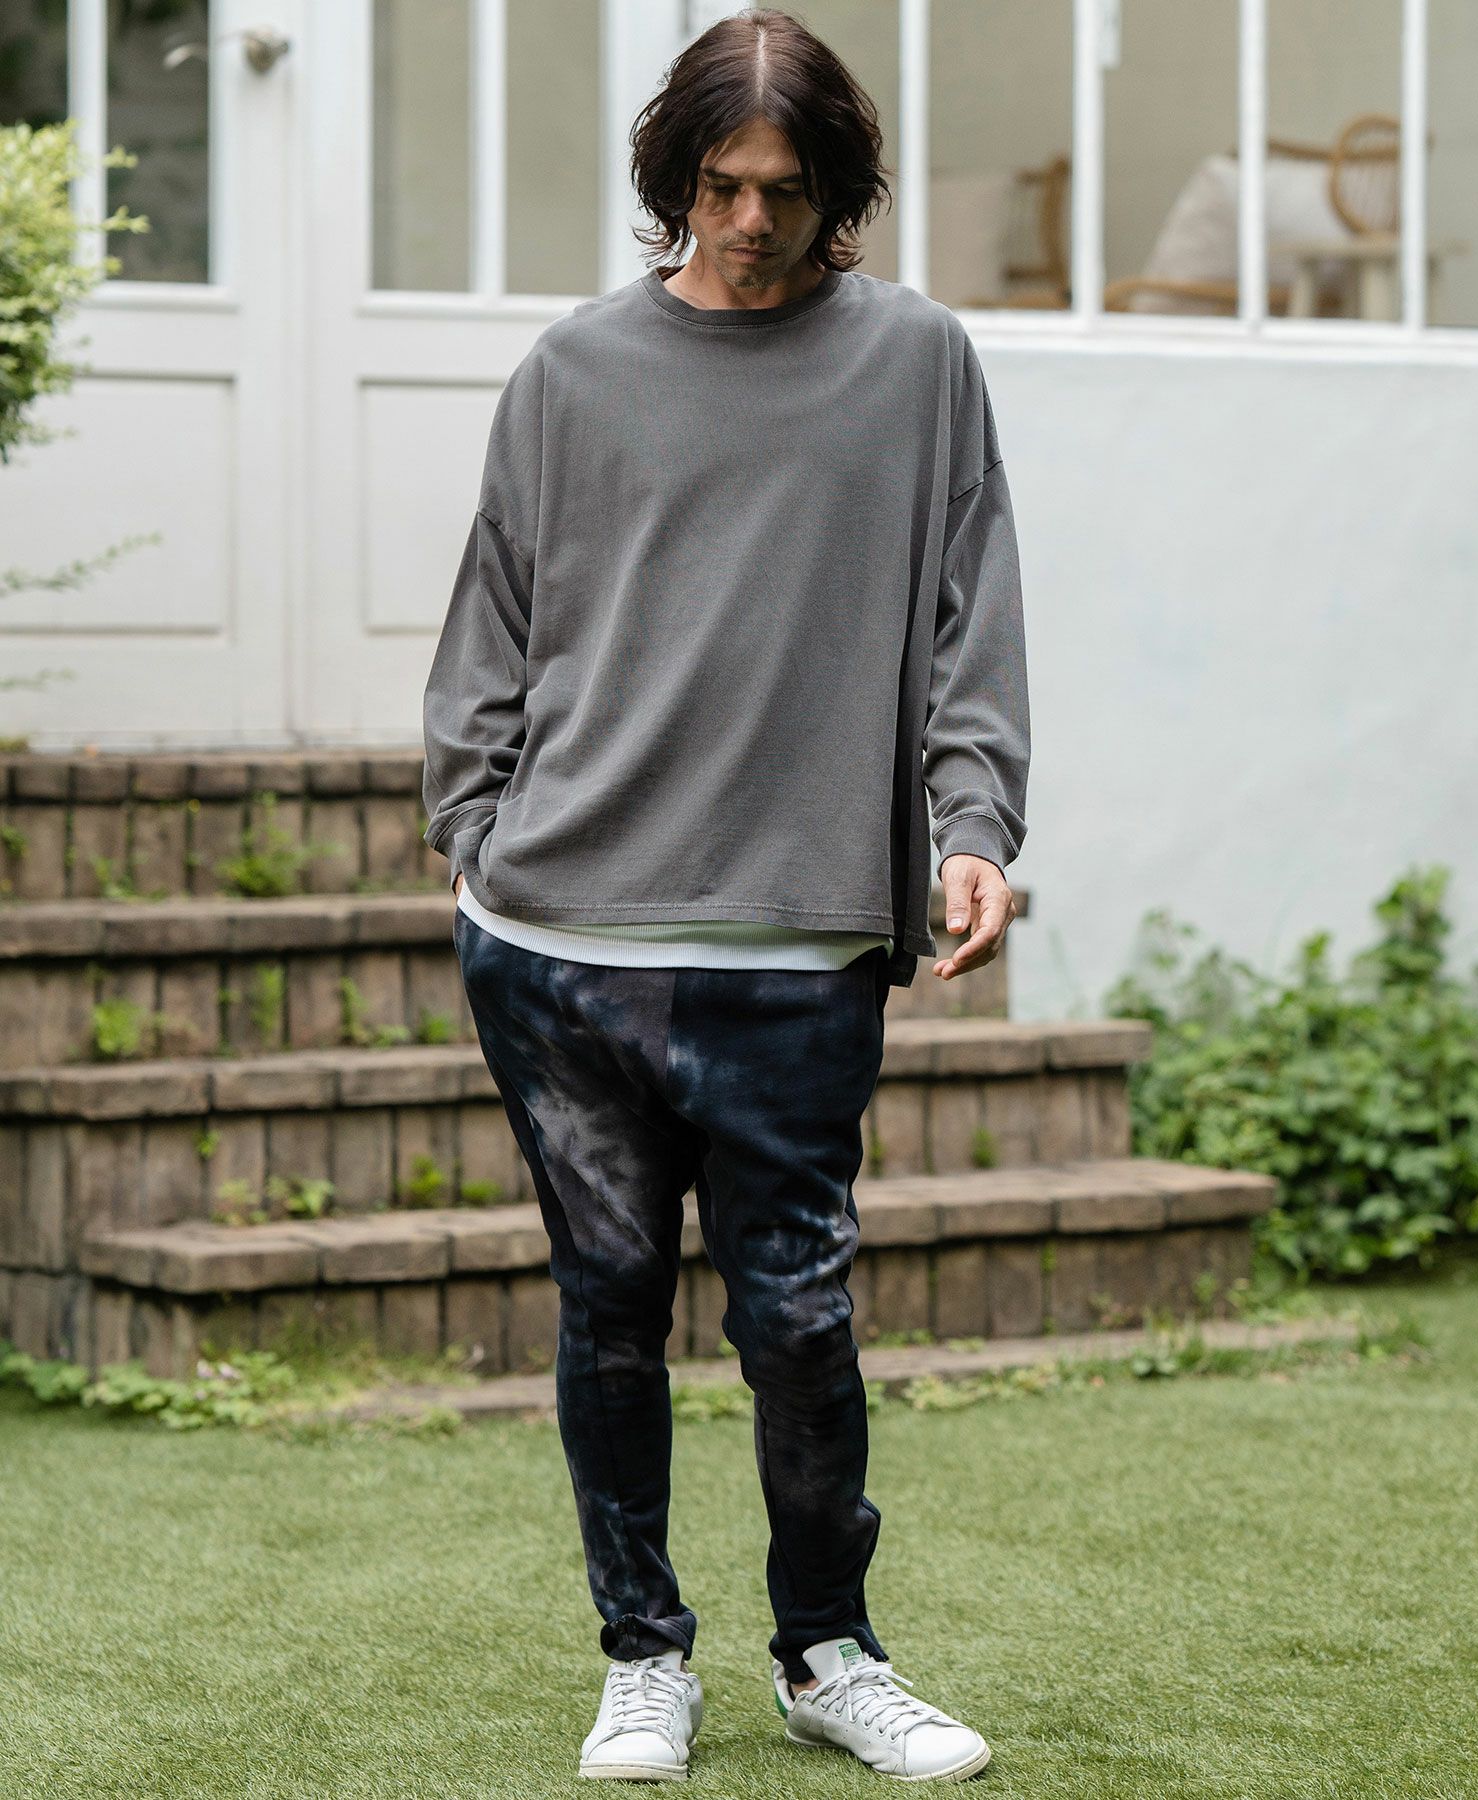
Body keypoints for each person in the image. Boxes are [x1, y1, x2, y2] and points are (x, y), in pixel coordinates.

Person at [420, 9, 1028, 1783]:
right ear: (672, 178)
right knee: (610, 1315)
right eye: (719, 184)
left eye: (786, 188)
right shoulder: (571, 371)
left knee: (801, 1324)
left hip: (798, 945)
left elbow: (968, 617)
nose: (751, 221)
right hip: (561, 945)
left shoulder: (917, 362)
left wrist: (973, 822)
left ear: (840, 190)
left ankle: (829, 1655)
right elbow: (494, 621)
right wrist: (473, 826)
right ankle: (643, 1658)